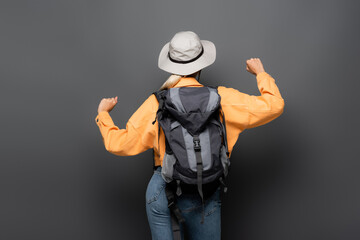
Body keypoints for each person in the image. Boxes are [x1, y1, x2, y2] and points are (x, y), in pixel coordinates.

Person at [95, 31, 285, 240]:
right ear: (201, 64)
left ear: (171, 63)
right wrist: (261, 73)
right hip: (205, 192)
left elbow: (118, 144)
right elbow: (275, 106)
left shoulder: (157, 103)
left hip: (163, 190)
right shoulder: (224, 99)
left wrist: (103, 115)